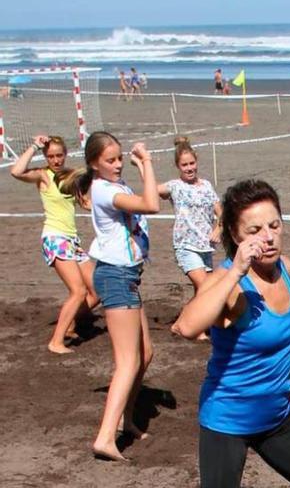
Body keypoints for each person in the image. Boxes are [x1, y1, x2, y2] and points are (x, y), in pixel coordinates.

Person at [172, 180, 290, 488]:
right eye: (254, 231)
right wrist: (236, 270)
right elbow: (185, 327)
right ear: (236, 236)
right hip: (227, 421)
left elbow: (281, 332)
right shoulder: (229, 281)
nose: (268, 237)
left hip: (277, 419)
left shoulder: (285, 269)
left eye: (274, 225)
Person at [57, 132, 158, 461]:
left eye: (118, 159)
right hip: (116, 276)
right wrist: (147, 161)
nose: (117, 165)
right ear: (94, 164)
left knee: (145, 353)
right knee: (127, 361)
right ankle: (105, 436)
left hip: (126, 276)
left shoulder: (114, 186)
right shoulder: (103, 191)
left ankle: (127, 419)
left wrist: (140, 169)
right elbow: (151, 204)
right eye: (110, 160)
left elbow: (146, 197)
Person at [10, 135, 99, 354]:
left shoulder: (70, 176)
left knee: (97, 291)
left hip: (72, 240)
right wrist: (34, 146)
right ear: (45, 157)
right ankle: (56, 341)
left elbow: (85, 203)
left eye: (59, 155)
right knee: (78, 291)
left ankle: (68, 322)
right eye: (51, 156)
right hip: (55, 238)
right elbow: (16, 171)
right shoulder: (43, 175)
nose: (56, 160)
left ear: (65, 155)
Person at [159, 137, 222, 339]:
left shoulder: (206, 186)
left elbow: (222, 212)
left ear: (197, 162)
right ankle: (187, 324)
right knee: (206, 286)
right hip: (186, 245)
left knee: (201, 289)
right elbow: (152, 191)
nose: (189, 168)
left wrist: (218, 228)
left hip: (206, 246)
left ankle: (191, 325)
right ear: (178, 166)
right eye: (184, 165)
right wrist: (144, 165)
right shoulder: (175, 186)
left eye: (191, 163)